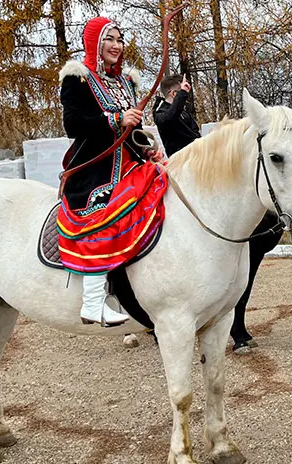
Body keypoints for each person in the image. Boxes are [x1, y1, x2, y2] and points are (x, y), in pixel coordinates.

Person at [57, 17, 167, 327]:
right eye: (110, 39)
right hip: (95, 168)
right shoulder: (77, 79)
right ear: (95, 44)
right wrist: (116, 119)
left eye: (120, 39)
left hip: (130, 164)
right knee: (104, 210)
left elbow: (132, 132)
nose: (117, 46)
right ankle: (93, 302)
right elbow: (73, 125)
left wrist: (147, 150)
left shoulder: (126, 83)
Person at [152, 74, 201, 156]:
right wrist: (182, 94)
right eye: (183, 91)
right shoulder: (160, 114)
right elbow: (170, 117)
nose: (186, 96)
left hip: (196, 157)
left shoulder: (183, 112)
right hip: (179, 163)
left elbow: (195, 132)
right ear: (174, 94)